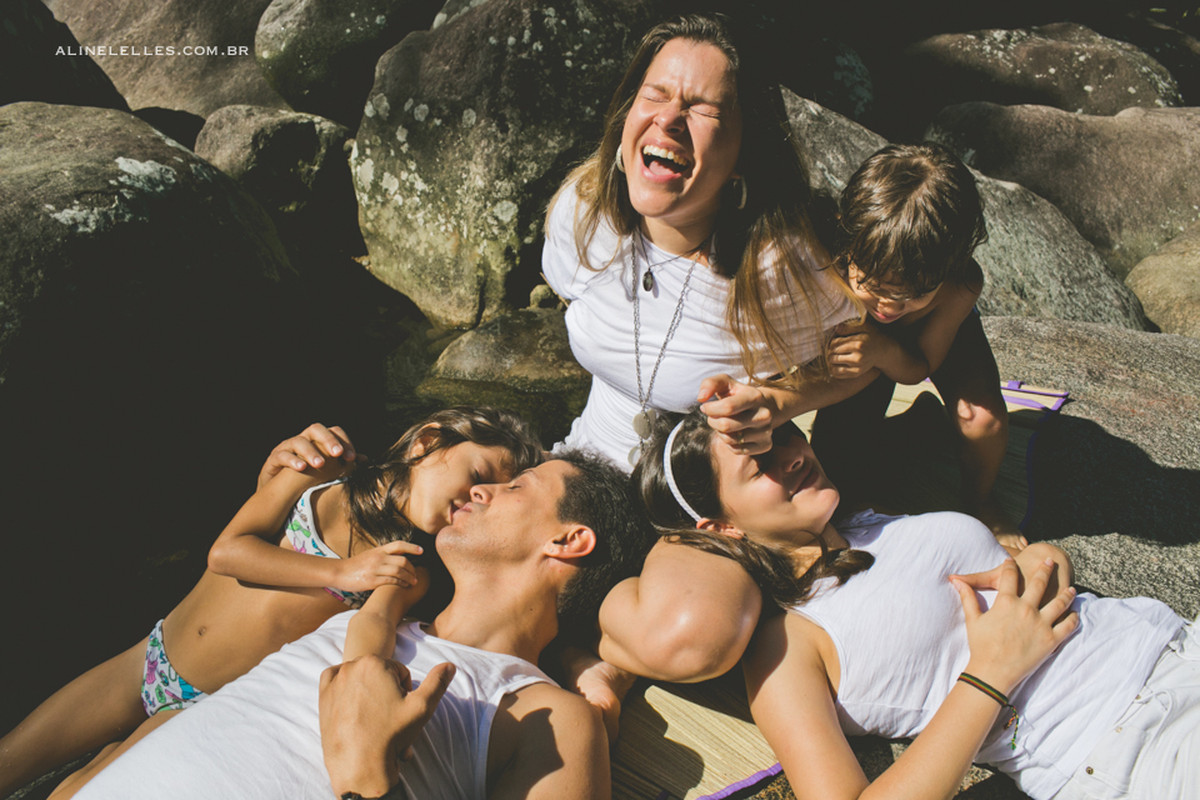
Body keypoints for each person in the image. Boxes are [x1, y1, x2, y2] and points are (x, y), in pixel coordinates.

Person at [637, 408, 1196, 800]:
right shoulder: (786, 647)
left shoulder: (871, 516)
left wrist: (1044, 562)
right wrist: (989, 675)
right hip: (1124, 740)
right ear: (722, 526)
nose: (792, 455)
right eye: (758, 465)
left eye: (784, 434)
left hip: (1171, 644)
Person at [0, 407, 541, 799]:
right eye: (477, 476)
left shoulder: (408, 569)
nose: (477, 499)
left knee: (74, 790)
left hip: (200, 705)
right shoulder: (326, 471)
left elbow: (371, 633)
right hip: (149, 655)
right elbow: (227, 552)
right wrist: (338, 571)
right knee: (11, 760)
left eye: (490, 496)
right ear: (429, 439)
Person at [69, 452, 655, 800]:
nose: (481, 488)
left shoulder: (548, 718)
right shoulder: (363, 609)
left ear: (569, 539)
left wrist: (368, 782)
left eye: (517, 486)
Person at [542, 12, 877, 470]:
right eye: (655, 95)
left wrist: (781, 402)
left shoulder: (780, 264)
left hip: (696, 510)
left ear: (744, 152)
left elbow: (875, 348)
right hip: (579, 467)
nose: (668, 119)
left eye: (703, 109)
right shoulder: (581, 215)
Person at [811, 143, 1016, 542]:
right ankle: (914, 424)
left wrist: (883, 348)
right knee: (839, 475)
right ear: (848, 239)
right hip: (863, 340)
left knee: (983, 421)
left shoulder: (958, 287)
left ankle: (980, 499)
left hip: (928, 342)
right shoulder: (833, 252)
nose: (888, 305)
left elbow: (922, 366)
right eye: (873, 285)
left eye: (910, 294)